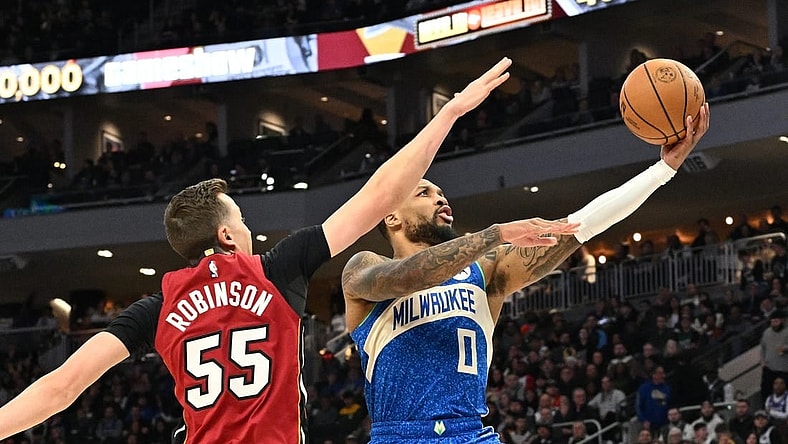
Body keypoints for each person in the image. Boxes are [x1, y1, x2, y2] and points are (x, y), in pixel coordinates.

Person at [0, 57, 517, 443]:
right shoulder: (277, 270)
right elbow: (381, 194)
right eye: (242, 223)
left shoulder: (157, 308)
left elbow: (59, 389)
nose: (249, 232)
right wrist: (450, 112)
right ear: (226, 235)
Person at [343, 105, 711, 443]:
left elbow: (580, 226)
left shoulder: (485, 271)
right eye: (424, 193)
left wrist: (662, 171)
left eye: (441, 192)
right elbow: (410, 277)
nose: (441, 198)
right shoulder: (364, 268)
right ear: (391, 217)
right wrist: (495, 234)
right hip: (399, 435)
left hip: (471, 433)